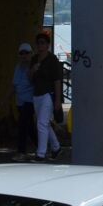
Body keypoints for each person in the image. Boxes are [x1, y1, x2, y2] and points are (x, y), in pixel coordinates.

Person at [29, 31, 63, 161]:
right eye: (38, 43)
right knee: (44, 123)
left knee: (41, 123)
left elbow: (57, 80)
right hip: (37, 94)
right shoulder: (34, 59)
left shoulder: (52, 59)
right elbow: (30, 78)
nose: (40, 45)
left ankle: (41, 153)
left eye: (42, 43)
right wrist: (33, 70)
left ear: (48, 45)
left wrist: (58, 100)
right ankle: (56, 147)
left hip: (48, 94)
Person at [12, 42, 37, 161]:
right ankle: (41, 147)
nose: (24, 55)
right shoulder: (18, 67)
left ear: (31, 54)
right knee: (30, 127)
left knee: (22, 125)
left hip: (30, 100)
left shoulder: (34, 67)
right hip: (20, 101)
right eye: (21, 53)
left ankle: (21, 151)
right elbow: (14, 85)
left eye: (26, 53)